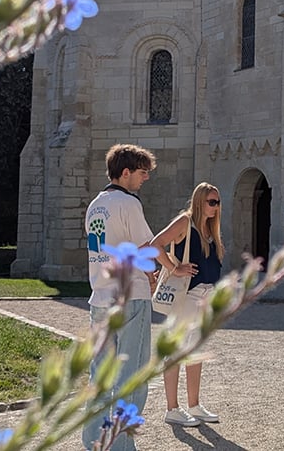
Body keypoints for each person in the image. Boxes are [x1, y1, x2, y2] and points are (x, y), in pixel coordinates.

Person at [81, 144, 158, 451]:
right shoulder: (128, 204)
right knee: (131, 375)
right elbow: (145, 246)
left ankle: (93, 441)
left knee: (99, 376)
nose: (146, 179)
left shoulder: (95, 205)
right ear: (125, 173)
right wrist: (154, 272)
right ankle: (122, 446)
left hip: (99, 297)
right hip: (130, 297)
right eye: (143, 173)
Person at [150, 182, 224, 427]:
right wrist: (174, 268)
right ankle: (172, 408)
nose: (215, 207)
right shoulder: (186, 222)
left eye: (218, 202)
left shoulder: (210, 229)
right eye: (211, 202)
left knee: (195, 351)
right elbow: (155, 244)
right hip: (187, 296)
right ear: (199, 201)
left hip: (206, 295)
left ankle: (194, 404)